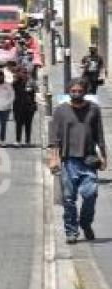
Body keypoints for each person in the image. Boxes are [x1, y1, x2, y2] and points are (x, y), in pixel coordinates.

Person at [49, 78, 107, 243]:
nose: (76, 94)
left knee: (91, 195)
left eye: (79, 91)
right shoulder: (60, 111)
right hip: (68, 161)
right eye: (73, 91)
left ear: (85, 91)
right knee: (69, 199)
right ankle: (71, 231)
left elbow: (100, 136)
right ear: (68, 91)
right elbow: (54, 138)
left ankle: (85, 223)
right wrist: (54, 158)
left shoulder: (94, 110)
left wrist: (104, 157)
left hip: (89, 160)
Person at [12, 68, 38, 146]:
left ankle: (27, 141)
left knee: (28, 124)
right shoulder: (16, 83)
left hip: (29, 107)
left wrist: (31, 88)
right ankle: (18, 140)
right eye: (22, 73)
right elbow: (11, 91)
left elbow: (36, 90)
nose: (24, 74)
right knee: (18, 124)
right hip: (18, 107)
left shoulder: (31, 82)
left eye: (25, 73)